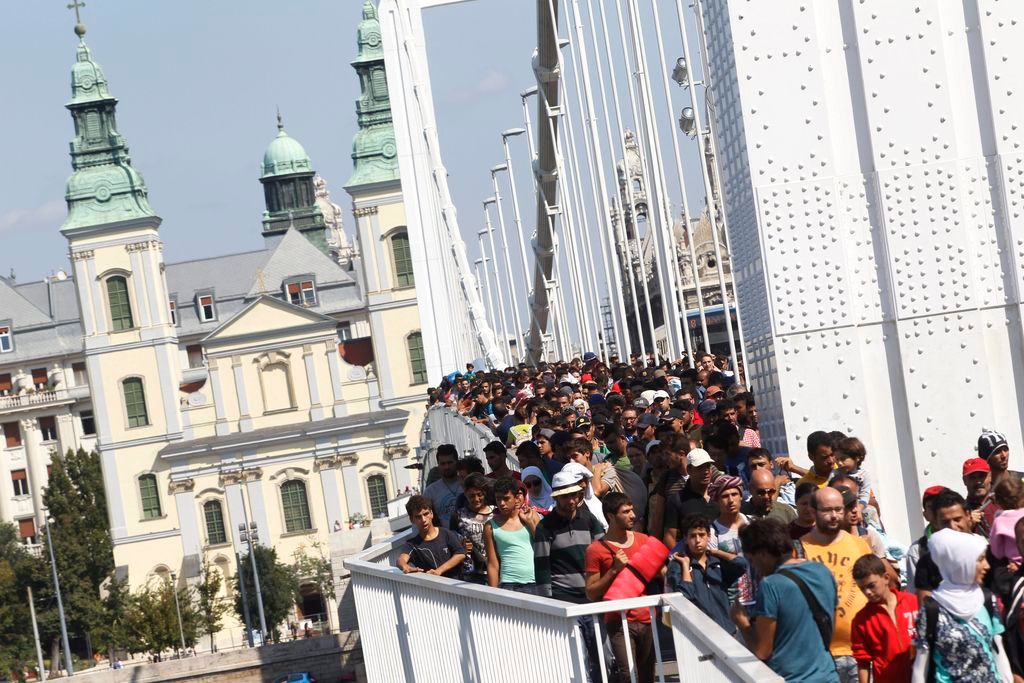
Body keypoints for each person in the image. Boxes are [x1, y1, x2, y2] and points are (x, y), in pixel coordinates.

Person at [731, 518, 839, 682]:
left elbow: (762, 650)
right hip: (828, 675)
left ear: (763, 553)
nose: (755, 568)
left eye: (751, 560)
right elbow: (831, 627)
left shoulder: (771, 585)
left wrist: (742, 623)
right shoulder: (823, 571)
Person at [912, 528, 1013, 682]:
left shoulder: (986, 600)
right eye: (980, 559)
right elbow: (920, 668)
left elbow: (998, 652)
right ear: (960, 562)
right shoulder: (933, 609)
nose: (987, 566)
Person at [534, 471, 605, 682]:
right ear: (555, 498)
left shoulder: (590, 519)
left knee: (601, 656)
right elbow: (542, 567)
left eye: (575, 495)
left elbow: (603, 552)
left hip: (592, 598)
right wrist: (548, 603)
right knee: (577, 657)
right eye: (566, 496)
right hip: (564, 600)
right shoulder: (544, 527)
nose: (572, 500)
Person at [798, 487, 872, 683]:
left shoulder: (859, 545)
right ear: (813, 511)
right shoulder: (800, 548)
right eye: (827, 510)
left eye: (839, 510)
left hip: (862, 650)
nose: (834, 516)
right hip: (823, 653)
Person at [584, 492, 658, 683]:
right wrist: (613, 571)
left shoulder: (643, 540)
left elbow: (661, 572)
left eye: (632, 510)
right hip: (618, 620)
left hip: (647, 617)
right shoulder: (595, 549)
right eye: (625, 512)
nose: (632, 515)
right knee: (627, 675)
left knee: (647, 675)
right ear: (610, 516)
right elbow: (591, 592)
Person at [668, 512, 746, 636]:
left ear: (709, 536)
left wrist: (718, 553)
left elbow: (742, 565)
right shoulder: (677, 565)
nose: (697, 540)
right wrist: (685, 565)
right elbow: (685, 596)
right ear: (685, 539)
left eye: (701, 535)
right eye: (692, 536)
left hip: (728, 631)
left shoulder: (717, 562)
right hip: (701, 635)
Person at [851, 553, 918, 683]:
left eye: (871, 585)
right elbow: (863, 662)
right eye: (862, 588)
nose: (867, 592)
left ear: (886, 578)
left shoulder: (912, 602)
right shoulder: (861, 620)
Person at [914, 489, 975, 597]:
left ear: (968, 516)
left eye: (957, 519)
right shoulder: (926, 564)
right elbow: (925, 607)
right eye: (945, 522)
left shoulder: (986, 552)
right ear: (936, 523)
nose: (952, 527)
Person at [483, 477, 539, 593]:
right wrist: (494, 594)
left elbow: (543, 544)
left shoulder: (531, 516)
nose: (502, 503)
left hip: (535, 582)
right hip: (508, 584)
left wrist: (529, 523)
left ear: (517, 498)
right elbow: (492, 563)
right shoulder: (490, 526)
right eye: (498, 499)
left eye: (506, 498)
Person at [663, 448, 721, 550]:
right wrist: (682, 558)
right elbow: (670, 537)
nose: (706, 471)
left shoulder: (720, 496)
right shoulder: (677, 499)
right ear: (689, 470)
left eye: (708, 466)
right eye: (700, 468)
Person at [396, 495, 467, 578]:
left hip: (454, 586)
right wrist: (405, 567)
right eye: (418, 517)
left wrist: (439, 571)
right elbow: (400, 560)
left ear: (431, 514)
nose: (423, 520)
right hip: (431, 589)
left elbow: (461, 554)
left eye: (426, 514)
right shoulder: (412, 544)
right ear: (412, 520)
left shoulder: (446, 533)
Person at [448, 473, 493, 584]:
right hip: (470, 573)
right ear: (465, 494)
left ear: (485, 493)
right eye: (471, 496)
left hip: (495, 569)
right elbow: (451, 542)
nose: (476, 499)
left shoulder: (496, 513)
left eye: (479, 494)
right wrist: (461, 545)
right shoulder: (458, 516)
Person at [423, 445, 463, 525]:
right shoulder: (430, 492)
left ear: (457, 462)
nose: (446, 467)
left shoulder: (468, 484)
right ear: (438, 465)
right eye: (443, 464)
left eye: (450, 463)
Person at [964, 456, 996, 537]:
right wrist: (966, 526)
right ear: (964, 480)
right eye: (972, 477)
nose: (978, 482)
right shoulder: (960, 513)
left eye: (982, 476)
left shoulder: (1005, 502)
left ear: (990, 476)